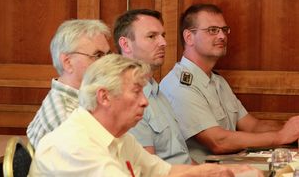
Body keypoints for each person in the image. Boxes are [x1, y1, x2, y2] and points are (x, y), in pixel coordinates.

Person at [28, 54, 262, 177]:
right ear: (104, 97)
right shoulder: (74, 145)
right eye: (136, 92)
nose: (144, 101)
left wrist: (222, 171)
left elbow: (163, 172)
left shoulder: (119, 137)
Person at [160, 3, 299, 162]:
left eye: (224, 30)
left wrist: (292, 128)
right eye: (212, 30)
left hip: (235, 165)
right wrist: (280, 137)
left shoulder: (217, 81)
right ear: (188, 37)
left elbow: (253, 126)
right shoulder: (179, 85)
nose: (222, 36)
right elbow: (218, 142)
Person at [113, 9, 193, 164]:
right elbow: (146, 170)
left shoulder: (156, 91)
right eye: (152, 36)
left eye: (163, 35)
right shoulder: (124, 98)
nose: (163, 43)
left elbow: (183, 159)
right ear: (125, 44)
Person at [26, 19, 111, 148]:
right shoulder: (65, 115)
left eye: (108, 55)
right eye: (98, 55)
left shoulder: (86, 99)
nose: (107, 63)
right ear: (67, 62)